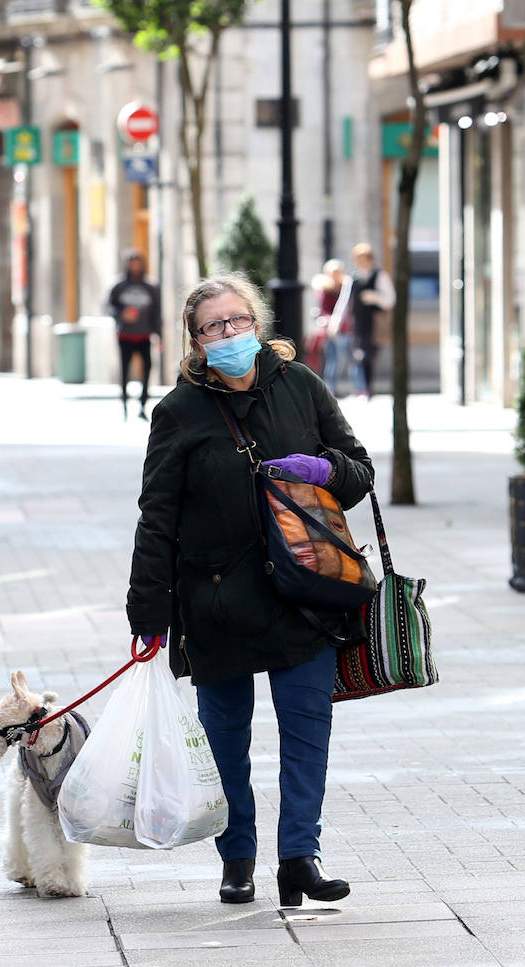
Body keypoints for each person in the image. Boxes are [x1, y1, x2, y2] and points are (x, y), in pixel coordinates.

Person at [125, 272, 374, 907]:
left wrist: (324, 470)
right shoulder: (179, 412)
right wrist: (149, 612)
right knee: (225, 739)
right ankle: (238, 860)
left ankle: (300, 859)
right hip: (216, 602)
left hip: (302, 592)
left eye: (238, 321)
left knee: (306, 731)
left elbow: (359, 473)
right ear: (196, 340)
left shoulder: (301, 387)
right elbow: (157, 517)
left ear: (257, 324)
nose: (229, 333)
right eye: (214, 326)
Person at [105, 248, 163, 420]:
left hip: (144, 336)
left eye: (138, 263)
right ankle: (123, 403)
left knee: (147, 370)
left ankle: (142, 405)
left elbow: (157, 313)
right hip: (125, 336)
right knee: (125, 371)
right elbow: (108, 307)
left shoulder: (150, 287)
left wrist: (159, 336)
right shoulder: (118, 286)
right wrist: (121, 314)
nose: (135, 266)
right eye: (132, 263)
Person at [349, 242, 395, 399]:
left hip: (374, 324)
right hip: (358, 323)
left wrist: (374, 297)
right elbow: (345, 302)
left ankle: (368, 389)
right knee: (358, 355)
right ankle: (363, 388)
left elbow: (390, 300)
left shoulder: (380, 275)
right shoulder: (354, 278)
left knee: (369, 356)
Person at [311, 259, 354, 396]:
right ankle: (331, 389)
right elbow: (324, 310)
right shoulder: (325, 289)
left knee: (348, 359)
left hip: (345, 328)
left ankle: (353, 388)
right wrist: (331, 322)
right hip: (330, 329)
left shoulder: (345, 288)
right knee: (332, 359)